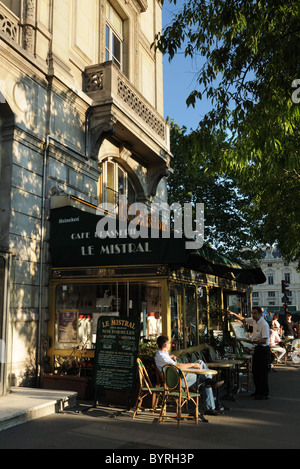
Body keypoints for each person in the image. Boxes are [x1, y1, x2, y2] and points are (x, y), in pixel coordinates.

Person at [155, 335, 223, 415]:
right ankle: (209, 407)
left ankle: (209, 381)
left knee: (200, 362)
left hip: (180, 376)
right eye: (169, 343)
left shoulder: (161, 354)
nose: (170, 344)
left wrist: (172, 356)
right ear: (166, 345)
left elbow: (167, 359)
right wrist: (192, 364)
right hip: (178, 381)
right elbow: (177, 366)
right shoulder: (162, 357)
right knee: (202, 379)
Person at [228, 307, 270, 400]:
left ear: (260, 314)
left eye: (255, 313)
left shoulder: (264, 324)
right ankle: (258, 391)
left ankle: (264, 393)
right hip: (257, 349)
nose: (253, 315)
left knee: (262, 372)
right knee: (255, 371)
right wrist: (233, 314)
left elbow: (264, 340)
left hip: (263, 350)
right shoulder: (254, 321)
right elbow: (243, 319)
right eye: (252, 313)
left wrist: (252, 341)